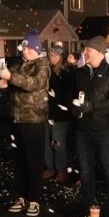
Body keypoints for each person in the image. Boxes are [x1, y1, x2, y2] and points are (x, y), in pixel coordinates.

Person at [72, 35, 109, 217]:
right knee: (86, 170)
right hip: (83, 129)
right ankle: (86, 204)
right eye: (85, 49)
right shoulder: (80, 72)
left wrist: (93, 107)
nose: (85, 53)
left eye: (89, 50)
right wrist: (75, 107)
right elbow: (74, 95)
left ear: (100, 52)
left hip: (105, 129)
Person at [0, 30, 51, 217]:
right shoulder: (19, 64)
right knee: (19, 161)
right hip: (17, 118)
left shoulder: (42, 65)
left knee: (34, 161)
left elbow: (34, 84)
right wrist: (4, 83)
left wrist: (11, 78)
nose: (26, 50)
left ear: (36, 49)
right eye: (25, 47)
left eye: (29, 47)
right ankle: (21, 196)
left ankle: (34, 199)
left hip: (33, 119)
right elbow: (12, 82)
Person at [44, 42, 75, 183]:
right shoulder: (47, 71)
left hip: (60, 115)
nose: (52, 57)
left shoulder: (66, 73)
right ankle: (50, 168)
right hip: (46, 113)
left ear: (61, 56)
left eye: (56, 54)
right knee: (46, 142)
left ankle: (61, 170)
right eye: (51, 54)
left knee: (58, 144)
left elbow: (67, 94)